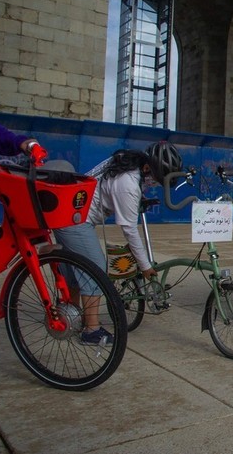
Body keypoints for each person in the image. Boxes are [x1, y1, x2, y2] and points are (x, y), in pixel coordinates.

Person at [54, 141, 183, 344]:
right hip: (75, 219)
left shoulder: (127, 162)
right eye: (156, 179)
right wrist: (145, 266)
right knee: (94, 268)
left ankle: (70, 318)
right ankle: (91, 330)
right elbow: (129, 230)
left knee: (75, 270)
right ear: (147, 168)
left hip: (66, 210)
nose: (155, 184)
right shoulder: (128, 184)